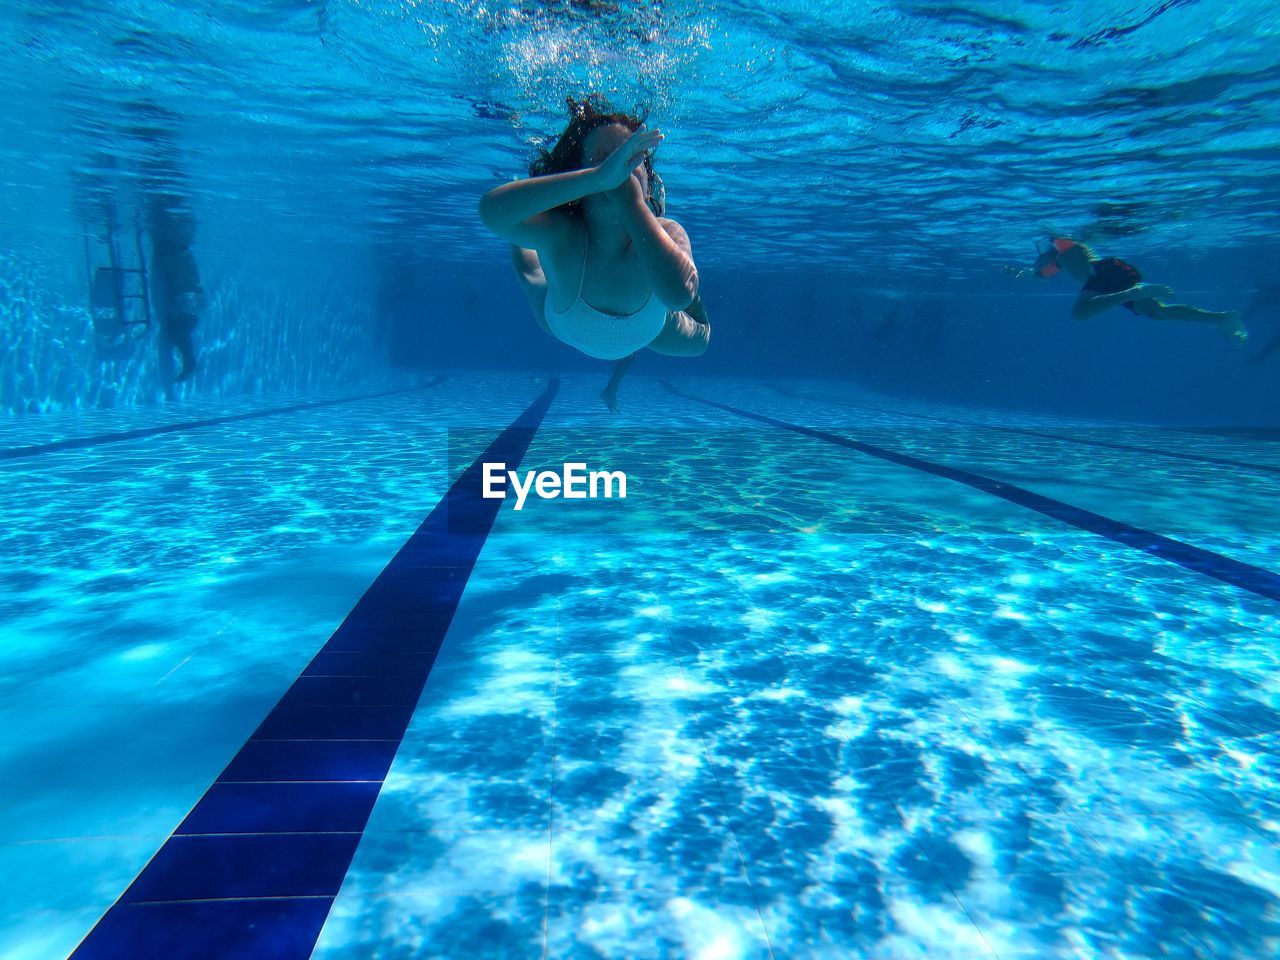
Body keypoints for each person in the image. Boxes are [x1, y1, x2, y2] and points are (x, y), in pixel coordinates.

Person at [479, 97, 709, 412]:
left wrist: (632, 203)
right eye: (605, 159)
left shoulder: (669, 229)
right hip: (567, 322)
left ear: (648, 179)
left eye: (633, 158)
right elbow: (493, 212)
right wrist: (600, 179)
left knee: (701, 340)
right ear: (579, 176)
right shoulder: (565, 232)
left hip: (649, 327)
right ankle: (534, 196)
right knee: (529, 267)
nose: (621, 168)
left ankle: (662, 246)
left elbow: (679, 296)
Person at [1004, 237, 1246, 344]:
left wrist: (1035, 261)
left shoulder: (1063, 243)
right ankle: (1223, 318)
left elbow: (1043, 258)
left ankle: (1135, 292)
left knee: (1080, 314)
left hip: (1103, 270)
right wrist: (1023, 274)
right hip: (1117, 273)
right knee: (1158, 313)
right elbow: (1040, 275)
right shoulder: (1060, 261)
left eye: (1040, 248)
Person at [148, 197, 204, 382]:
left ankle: (189, 363)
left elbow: (181, 280)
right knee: (180, 330)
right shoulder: (182, 255)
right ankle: (189, 363)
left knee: (179, 330)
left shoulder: (180, 256)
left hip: (188, 297)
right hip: (190, 296)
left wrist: (175, 306)